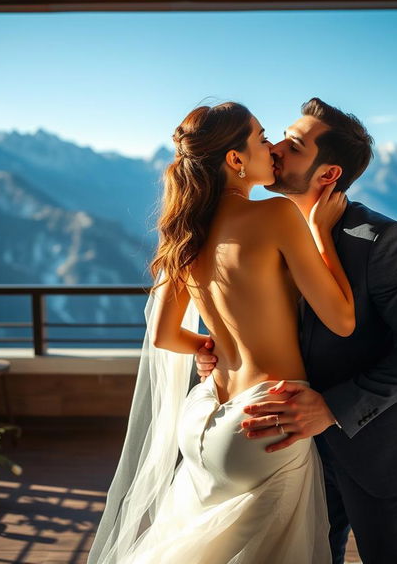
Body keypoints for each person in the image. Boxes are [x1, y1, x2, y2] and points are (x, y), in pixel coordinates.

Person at [87, 102, 355, 564]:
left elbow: (165, 336)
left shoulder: (185, 230)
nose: (271, 148)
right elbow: (343, 320)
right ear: (235, 160)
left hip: (204, 417)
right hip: (266, 418)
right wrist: (322, 232)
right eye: (260, 137)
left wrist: (209, 347)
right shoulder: (275, 216)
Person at [197, 97, 397, 564]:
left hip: (375, 444)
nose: (275, 147)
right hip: (287, 447)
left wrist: (334, 408)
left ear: (328, 174)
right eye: (278, 135)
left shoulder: (378, 239)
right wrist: (213, 349)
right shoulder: (258, 223)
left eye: (294, 145)